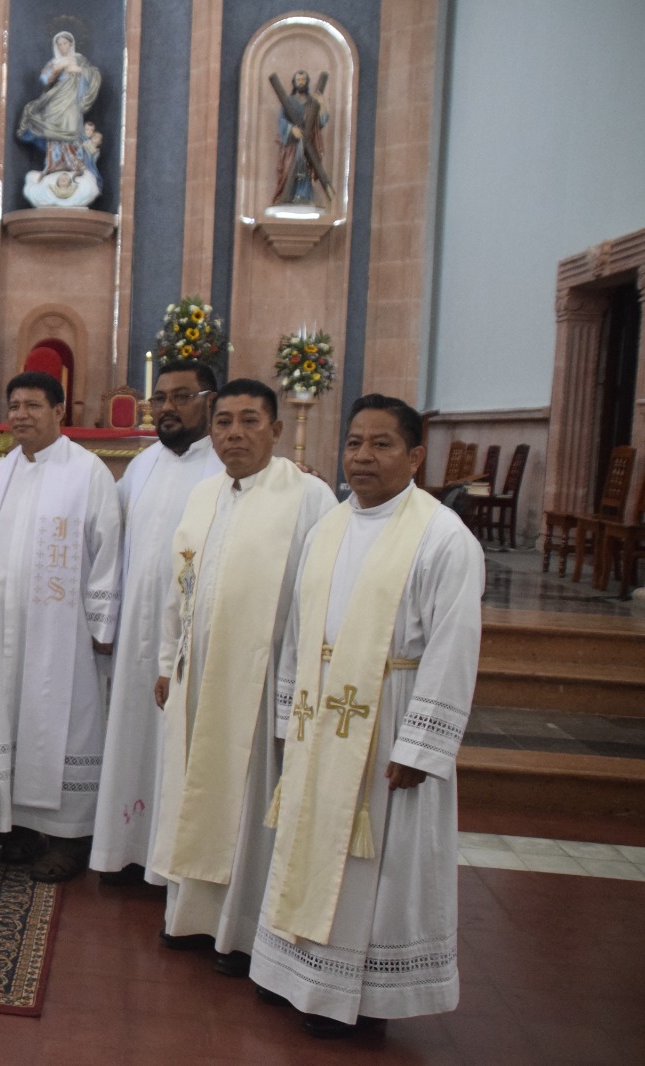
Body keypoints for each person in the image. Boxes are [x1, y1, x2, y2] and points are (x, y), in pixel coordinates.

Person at [253, 395, 483, 1038]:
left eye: (381, 444)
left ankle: (357, 1001)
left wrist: (423, 746)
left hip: (388, 720)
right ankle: (294, 972)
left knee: (372, 864)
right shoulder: (329, 525)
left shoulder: (443, 538)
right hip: (319, 715)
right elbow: (300, 632)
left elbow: (454, 644)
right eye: (354, 442)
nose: (362, 456)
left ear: (415, 456)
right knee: (304, 841)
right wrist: (287, 713)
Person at [148, 378, 336, 979]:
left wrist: (296, 686)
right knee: (192, 790)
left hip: (259, 680)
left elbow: (322, 597)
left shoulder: (308, 496)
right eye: (224, 421)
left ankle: (241, 931)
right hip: (197, 674)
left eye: (250, 421)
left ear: (276, 430)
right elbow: (178, 587)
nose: (234, 433)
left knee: (248, 798)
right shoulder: (204, 495)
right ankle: (190, 915)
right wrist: (164, 661)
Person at [0, 372, 122, 882]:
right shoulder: (3, 471)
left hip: (65, 634)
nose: (21, 414)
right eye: (15, 404)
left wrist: (102, 620)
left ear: (58, 411)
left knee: (66, 721)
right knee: (12, 715)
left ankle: (71, 836)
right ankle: (20, 827)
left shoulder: (88, 472)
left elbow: (108, 549)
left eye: (33, 405)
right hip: (8, 630)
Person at [89, 360, 223, 885]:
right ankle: (125, 849)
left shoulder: (225, 470)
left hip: (192, 645)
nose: (167, 408)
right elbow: (113, 547)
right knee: (132, 741)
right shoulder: (141, 466)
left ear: (209, 402)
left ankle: (173, 866)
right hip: (135, 640)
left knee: (180, 750)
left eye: (181, 396)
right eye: (160, 398)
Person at [17, 31, 102, 184]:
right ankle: (53, 165)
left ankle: (74, 165)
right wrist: (57, 69)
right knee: (53, 133)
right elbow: (44, 80)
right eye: (60, 44)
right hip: (54, 102)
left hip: (71, 103)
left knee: (71, 131)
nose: (63, 47)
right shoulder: (54, 62)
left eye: (65, 43)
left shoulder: (80, 60)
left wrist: (78, 70)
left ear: (71, 44)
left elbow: (93, 75)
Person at [274, 69, 330, 205]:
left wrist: (322, 105)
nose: (301, 82)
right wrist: (291, 130)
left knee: (306, 168)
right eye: (298, 80)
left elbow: (321, 121)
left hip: (308, 143)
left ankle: (303, 196)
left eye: (303, 80)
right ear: (294, 83)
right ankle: (288, 195)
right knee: (290, 168)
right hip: (292, 146)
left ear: (307, 82)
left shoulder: (312, 102)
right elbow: (281, 120)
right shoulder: (289, 102)